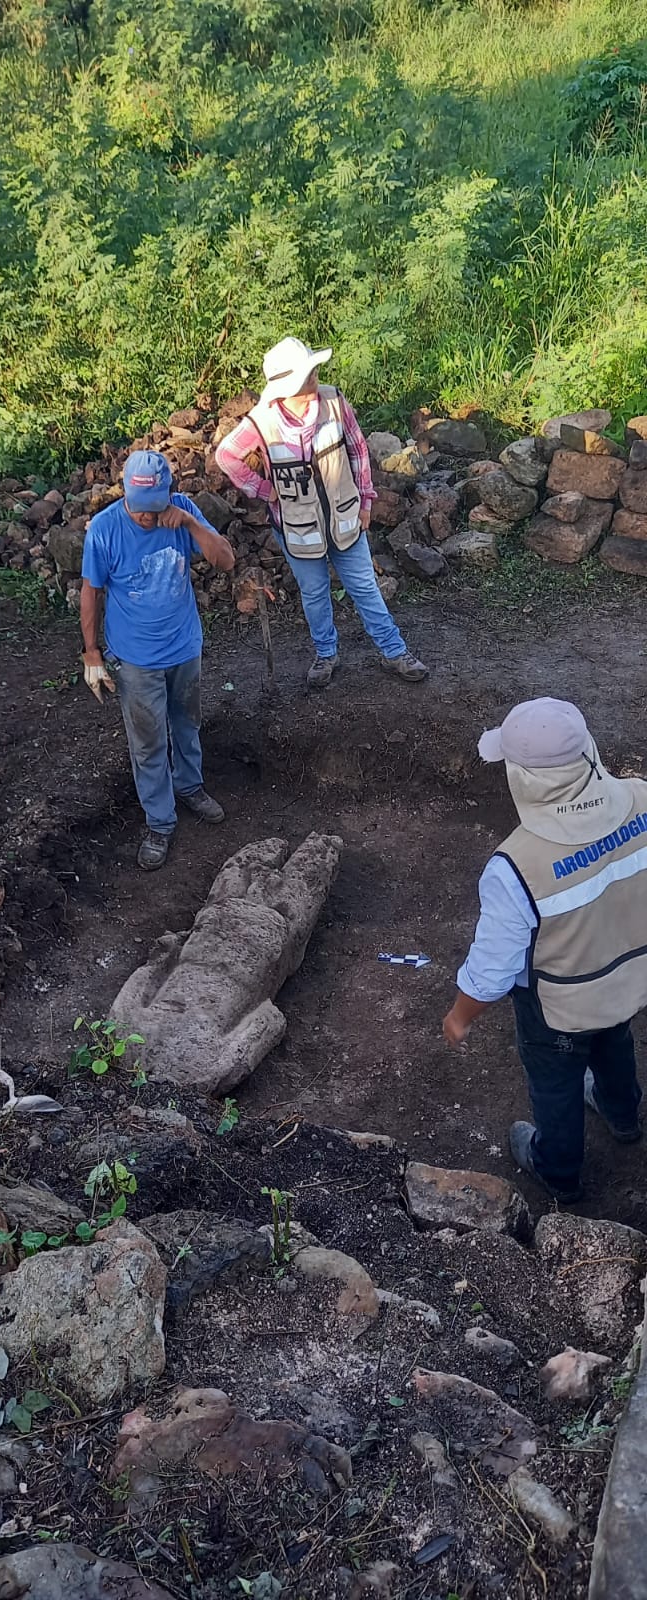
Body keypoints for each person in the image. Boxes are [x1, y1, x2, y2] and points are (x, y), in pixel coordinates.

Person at [443, 697, 645, 1203]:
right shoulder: (642, 800)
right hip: (627, 978)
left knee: (556, 1085)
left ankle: (558, 1172)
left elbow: (492, 971)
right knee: (614, 1040)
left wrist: (460, 1016)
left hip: (556, 1007)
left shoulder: (514, 868)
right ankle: (623, 1117)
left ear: (524, 779)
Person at [215, 336, 428, 689]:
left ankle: (394, 652)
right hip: (296, 525)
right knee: (314, 594)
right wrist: (267, 493)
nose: (315, 379)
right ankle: (326, 655)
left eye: (313, 373)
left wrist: (366, 499)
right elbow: (226, 456)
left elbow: (358, 448)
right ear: (289, 386)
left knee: (364, 587)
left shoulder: (333, 400)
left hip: (345, 514)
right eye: (307, 376)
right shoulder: (261, 421)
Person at [80, 449, 235, 871]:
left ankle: (190, 786)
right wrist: (92, 653)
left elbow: (226, 560)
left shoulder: (181, 512)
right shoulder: (106, 530)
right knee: (148, 742)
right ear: (126, 494)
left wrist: (188, 522)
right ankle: (160, 822)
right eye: (141, 510)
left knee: (187, 723)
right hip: (135, 659)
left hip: (184, 647)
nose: (148, 518)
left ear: (169, 495)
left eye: (156, 509)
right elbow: (91, 592)